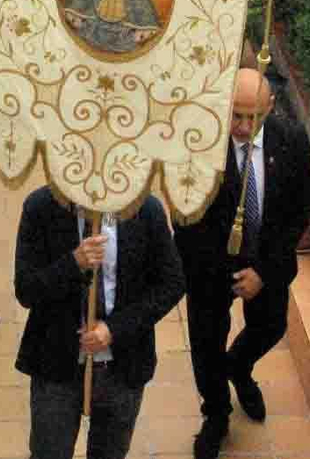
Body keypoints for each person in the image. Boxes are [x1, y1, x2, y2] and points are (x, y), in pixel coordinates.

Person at [173, 68, 310, 459]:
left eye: (253, 117)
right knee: (206, 346)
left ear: (270, 107)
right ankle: (215, 415)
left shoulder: (292, 140)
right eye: (235, 115)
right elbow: (184, 218)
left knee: (270, 327)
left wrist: (264, 273)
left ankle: (238, 367)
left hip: (265, 263)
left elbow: (299, 211)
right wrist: (224, 273)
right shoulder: (198, 143)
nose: (242, 126)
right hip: (210, 269)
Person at [14, 187, 185, 459]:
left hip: (122, 367)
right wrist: (73, 263)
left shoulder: (145, 209)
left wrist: (114, 329)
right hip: (57, 365)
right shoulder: (40, 207)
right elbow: (25, 290)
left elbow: (172, 284)